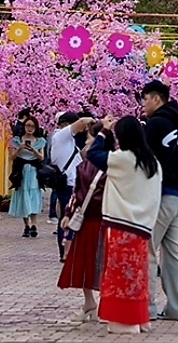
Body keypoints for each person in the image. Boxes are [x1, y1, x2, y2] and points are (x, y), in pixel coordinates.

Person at [87, 116, 163, 334]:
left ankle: (124, 320)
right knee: (137, 274)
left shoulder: (123, 158)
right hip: (142, 226)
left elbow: (93, 155)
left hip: (121, 224)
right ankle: (140, 317)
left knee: (119, 274)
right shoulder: (152, 162)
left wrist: (103, 131)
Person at [141, 79, 178, 322]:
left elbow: (146, 162)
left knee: (147, 250)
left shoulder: (155, 124)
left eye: (145, 98)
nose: (143, 103)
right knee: (175, 253)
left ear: (156, 98)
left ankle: (148, 307)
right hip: (177, 197)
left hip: (159, 196)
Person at [58, 124, 110, 323]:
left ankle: (105, 301)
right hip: (87, 220)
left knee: (104, 262)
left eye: (88, 140)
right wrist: (68, 213)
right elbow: (76, 193)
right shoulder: (82, 166)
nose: (85, 144)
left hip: (105, 219)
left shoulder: (111, 164)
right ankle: (89, 302)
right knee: (85, 263)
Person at [50, 112, 95, 260]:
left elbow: (79, 157)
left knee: (71, 216)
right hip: (68, 184)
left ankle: (69, 250)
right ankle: (65, 252)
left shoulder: (68, 142)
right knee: (67, 216)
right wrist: (93, 121)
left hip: (73, 183)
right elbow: (82, 121)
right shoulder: (60, 136)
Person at [8, 116, 46, 238]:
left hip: (34, 171)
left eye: (32, 126)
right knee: (23, 194)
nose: (30, 128)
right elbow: (12, 157)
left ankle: (34, 224)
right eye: (27, 126)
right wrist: (20, 148)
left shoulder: (40, 141)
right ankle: (26, 225)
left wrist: (34, 150)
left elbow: (41, 157)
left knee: (34, 195)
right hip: (21, 172)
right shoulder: (17, 140)